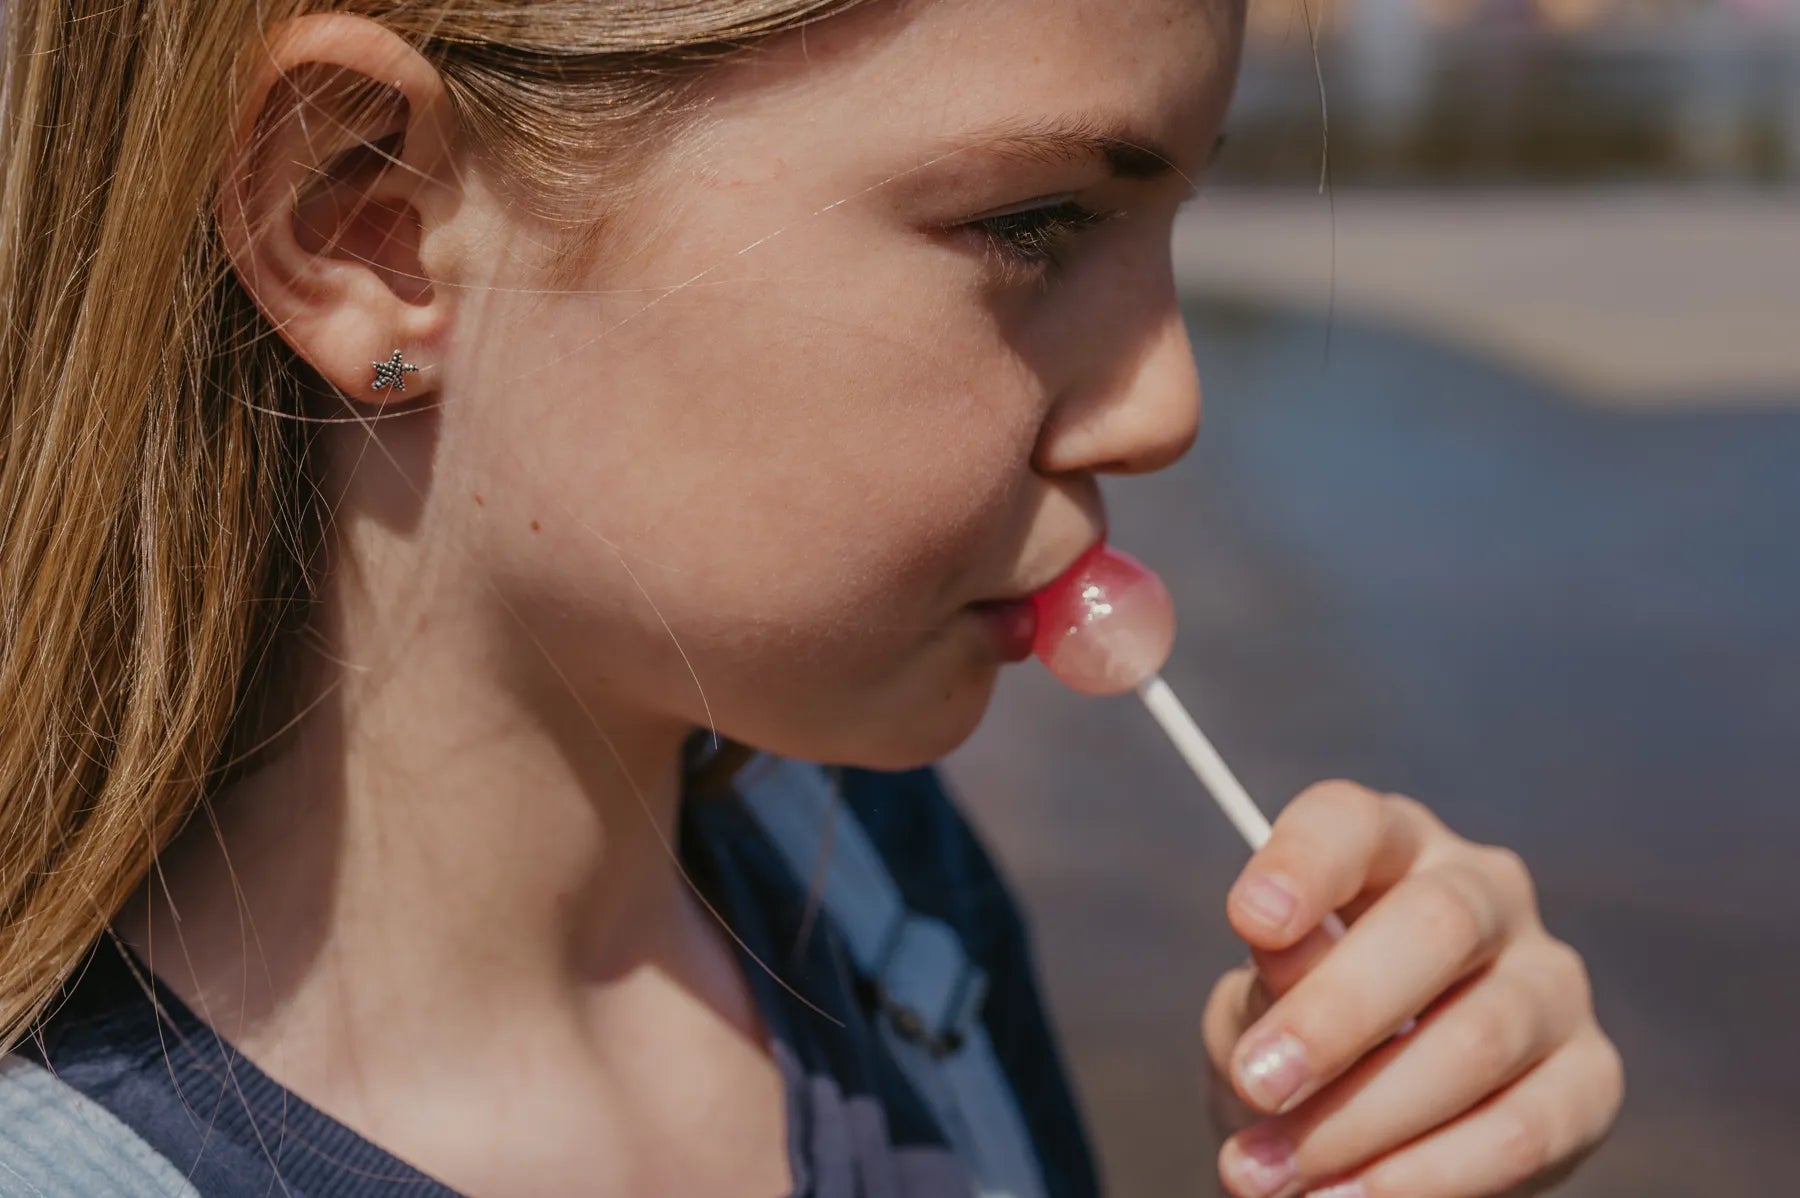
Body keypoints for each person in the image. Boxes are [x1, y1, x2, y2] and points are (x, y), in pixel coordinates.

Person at [0, 2, 1624, 1195]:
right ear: (369, 219)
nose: (1170, 401)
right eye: (1036, 221)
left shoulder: (887, 897)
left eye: (1169, 216)